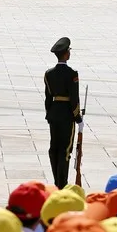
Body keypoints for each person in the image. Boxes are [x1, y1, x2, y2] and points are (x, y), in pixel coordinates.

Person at [43, 37, 81, 189]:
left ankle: (56, 180)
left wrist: (49, 114)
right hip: (66, 115)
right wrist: (78, 117)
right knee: (65, 150)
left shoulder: (49, 74)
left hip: (54, 114)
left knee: (54, 149)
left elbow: (48, 97)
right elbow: (74, 98)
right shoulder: (72, 73)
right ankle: (62, 183)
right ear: (66, 54)